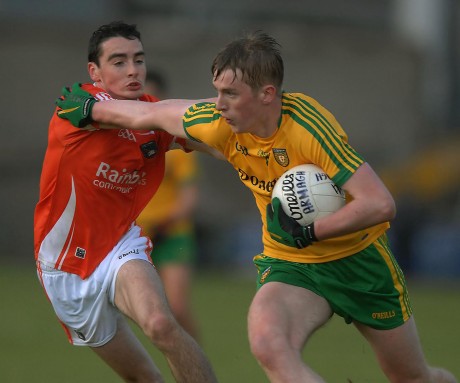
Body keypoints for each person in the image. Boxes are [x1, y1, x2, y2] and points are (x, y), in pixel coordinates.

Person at [55, 31, 457, 383]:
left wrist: (311, 231)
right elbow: (155, 113)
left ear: (267, 94)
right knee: (267, 343)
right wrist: (94, 110)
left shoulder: (308, 128)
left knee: (411, 377)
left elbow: (380, 203)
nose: (219, 103)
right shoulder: (219, 122)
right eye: (217, 91)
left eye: (230, 94)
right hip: (291, 263)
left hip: (359, 261)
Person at [34, 21, 217, 383]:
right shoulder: (78, 107)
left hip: (119, 245)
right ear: (95, 72)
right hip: (63, 269)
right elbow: (153, 115)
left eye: (139, 59)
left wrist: (249, 129)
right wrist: (222, 102)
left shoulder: (154, 114)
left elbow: (213, 139)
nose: (133, 70)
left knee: (161, 323)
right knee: (143, 377)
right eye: (118, 62)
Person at [137, 69, 201, 339]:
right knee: (143, 312)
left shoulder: (174, 144)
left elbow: (190, 198)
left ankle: (197, 362)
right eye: (141, 97)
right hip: (137, 237)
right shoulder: (121, 142)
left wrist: (164, 222)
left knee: (177, 307)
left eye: (152, 97)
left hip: (171, 234)